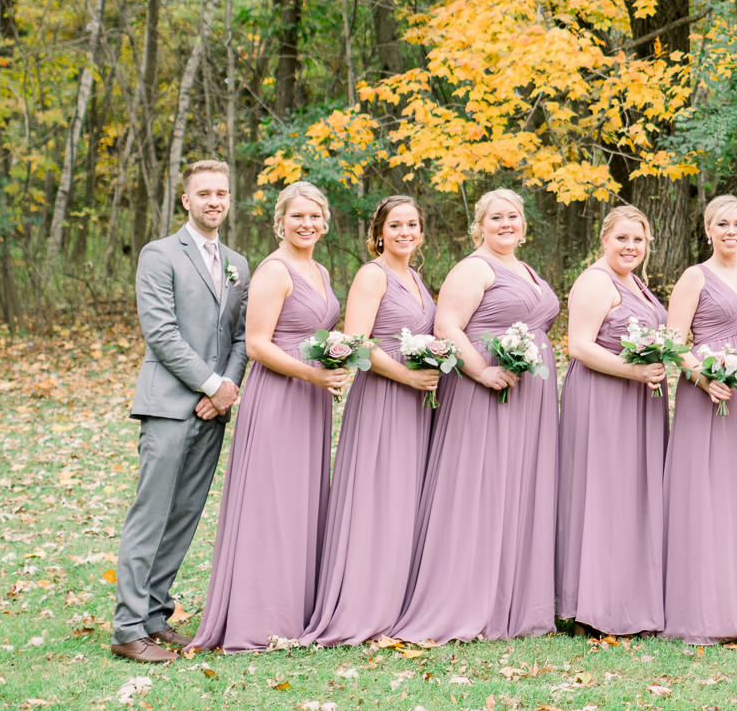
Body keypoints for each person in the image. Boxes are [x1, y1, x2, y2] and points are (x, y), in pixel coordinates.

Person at [389, 189, 559, 642]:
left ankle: (512, 601)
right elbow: (447, 326)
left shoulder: (524, 269)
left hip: (528, 392)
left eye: (514, 216)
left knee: (516, 488)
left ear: (524, 223)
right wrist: (482, 371)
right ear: (479, 224)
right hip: (483, 389)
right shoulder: (474, 268)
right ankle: (464, 601)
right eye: (496, 217)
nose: (507, 224)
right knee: (479, 487)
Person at [191, 180, 348, 651]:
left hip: (311, 398)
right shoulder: (274, 271)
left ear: (325, 222)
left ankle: (296, 611)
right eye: (297, 216)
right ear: (280, 221)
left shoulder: (318, 269)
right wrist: (312, 374)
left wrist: (334, 362)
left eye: (315, 215)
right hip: (280, 396)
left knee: (302, 501)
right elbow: (257, 345)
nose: (307, 224)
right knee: (272, 502)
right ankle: (259, 618)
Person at [112, 161, 249, 663]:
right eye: (205, 193)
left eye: (222, 193)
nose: (215, 201)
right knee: (152, 515)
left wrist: (226, 389)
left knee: (186, 515)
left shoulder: (239, 262)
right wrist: (212, 384)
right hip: (168, 406)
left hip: (213, 411)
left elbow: (239, 335)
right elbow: (161, 332)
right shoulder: (159, 254)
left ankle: (153, 614)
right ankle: (127, 628)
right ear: (186, 200)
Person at [307, 195, 441, 645]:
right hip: (384, 396)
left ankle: (396, 602)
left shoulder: (418, 279)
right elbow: (356, 341)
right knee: (376, 496)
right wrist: (406, 375)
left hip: (416, 404)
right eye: (396, 225)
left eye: (413, 225)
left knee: (404, 499)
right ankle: (363, 606)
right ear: (378, 233)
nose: (405, 233)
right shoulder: (372, 275)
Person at [558, 205, 672, 635]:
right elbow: (579, 346)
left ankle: (628, 598)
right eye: (622, 238)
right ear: (604, 238)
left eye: (638, 240)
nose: (631, 246)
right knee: (603, 495)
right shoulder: (594, 281)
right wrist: (635, 371)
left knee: (630, 496)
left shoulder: (634, 282)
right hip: (604, 399)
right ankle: (595, 607)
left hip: (638, 401)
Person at [662, 196, 737, 644]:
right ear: (708, 229)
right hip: (704, 392)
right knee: (702, 494)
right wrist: (702, 376)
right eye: (722, 224)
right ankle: (699, 607)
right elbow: (673, 339)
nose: (731, 231)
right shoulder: (694, 276)